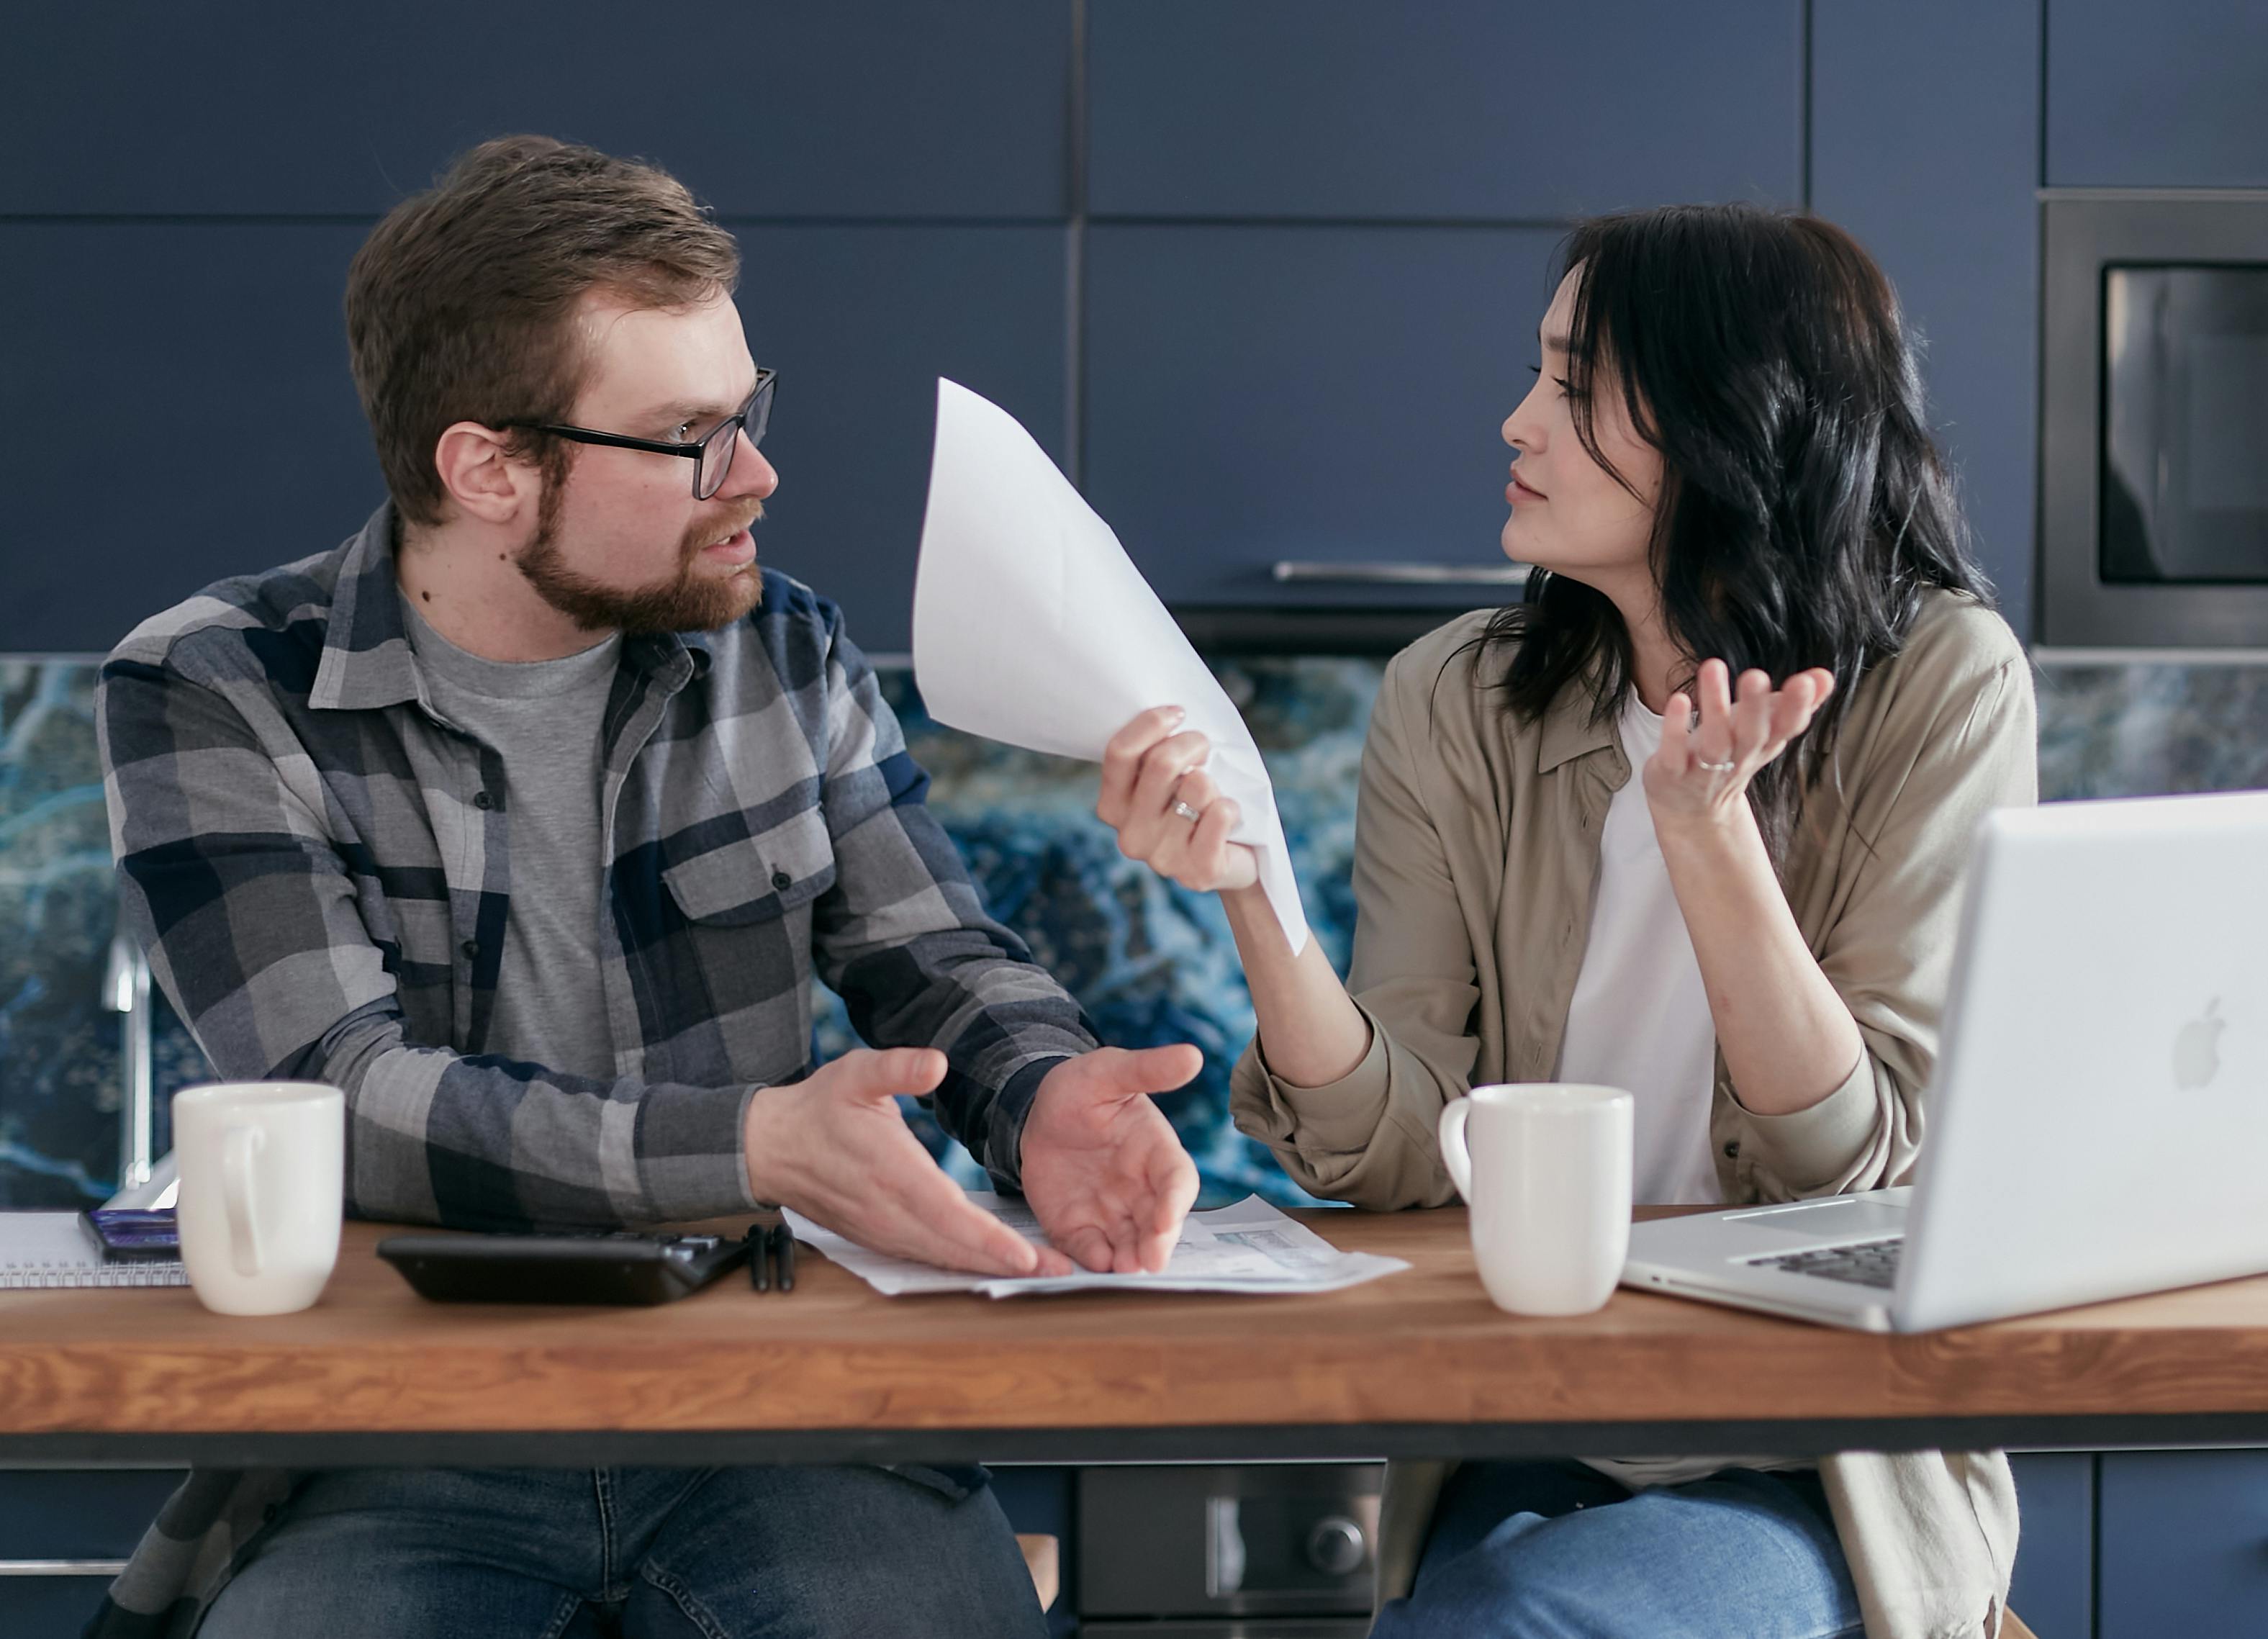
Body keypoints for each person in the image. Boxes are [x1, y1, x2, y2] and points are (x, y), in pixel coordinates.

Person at [90, 135, 1200, 1639]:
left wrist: (1043, 1088)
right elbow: (338, 1095)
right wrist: (757, 1144)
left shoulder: (784, 647)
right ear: (489, 468)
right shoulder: (214, 687)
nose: (758, 471)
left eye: (748, 412)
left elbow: (937, 953)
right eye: (690, 434)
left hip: (784, 1416)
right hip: (396, 1432)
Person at [1097, 204, 2035, 1639]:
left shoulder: (1940, 683)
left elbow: (1858, 1159)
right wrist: (1254, 896)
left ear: (1731, 421)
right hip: (1533, 1408)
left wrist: (1708, 832)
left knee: (1514, 1620)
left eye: (1575, 386)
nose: (1515, 420)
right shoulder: (1452, 697)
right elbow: (1402, 1156)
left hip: (1814, 1449)